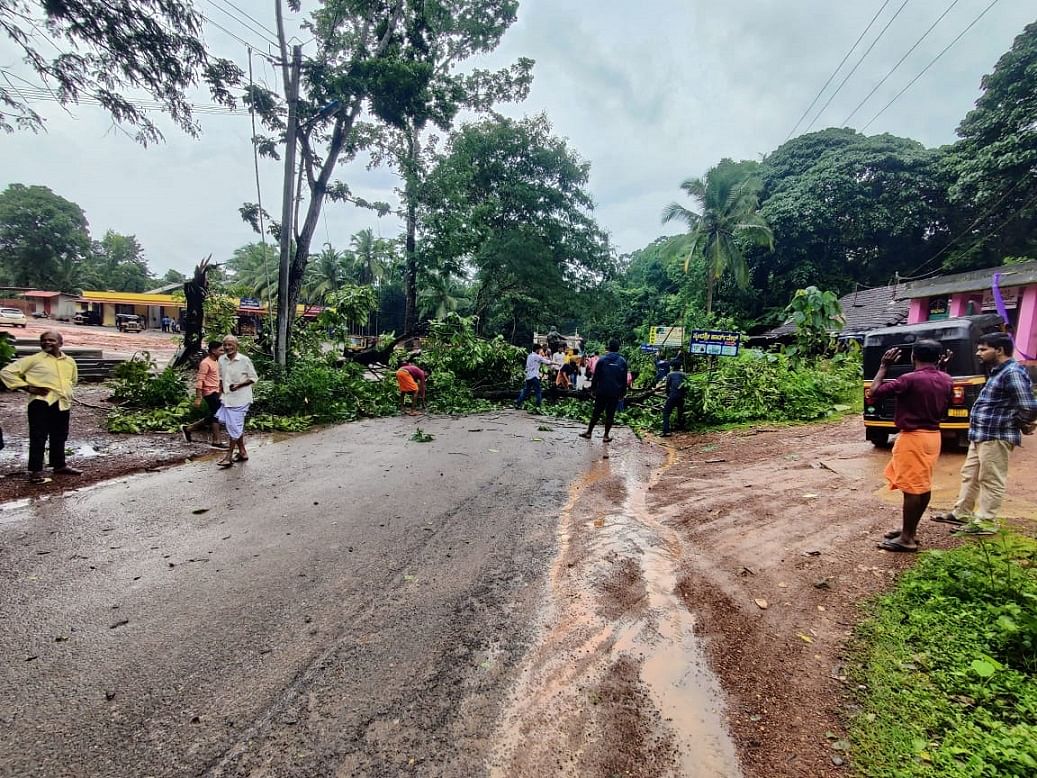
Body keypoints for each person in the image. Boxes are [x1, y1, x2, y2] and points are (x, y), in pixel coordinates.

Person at [934, 333, 1037, 530]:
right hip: (981, 434)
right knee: (970, 475)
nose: (978, 353)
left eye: (983, 349)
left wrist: (1020, 423)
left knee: (991, 478)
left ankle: (986, 521)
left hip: (995, 435)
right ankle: (961, 513)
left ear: (999, 350)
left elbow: (1029, 406)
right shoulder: (998, 371)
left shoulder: (1012, 372)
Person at [868, 339, 953, 552]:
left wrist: (883, 366)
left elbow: (874, 392)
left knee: (912, 488)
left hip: (913, 437)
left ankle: (907, 538)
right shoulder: (946, 378)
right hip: (933, 436)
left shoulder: (909, 379)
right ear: (938, 358)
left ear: (913, 356)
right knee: (922, 485)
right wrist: (942, 367)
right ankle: (909, 530)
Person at [0, 331, 82, 483]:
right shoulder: (34, 360)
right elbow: (6, 372)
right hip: (40, 403)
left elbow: (73, 380)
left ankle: (59, 465)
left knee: (60, 435)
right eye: (44, 340)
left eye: (51, 340)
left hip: (62, 403)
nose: (47, 343)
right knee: (38, 436)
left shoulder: (69, 361)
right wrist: (27, 387)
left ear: (60, 343)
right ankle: (36, 470)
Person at [215, 335, 258, 468]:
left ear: (236, 345)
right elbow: (222, 377)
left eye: (230, 345)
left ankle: (228, 456)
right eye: (225, 345)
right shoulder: (222, 359)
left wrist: (238, 385)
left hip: (241, 399)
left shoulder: (244, 360)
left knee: (234, 427)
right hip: (227, 399)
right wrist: (220, 391)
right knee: (234, 426)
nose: (227, 347)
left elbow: (253, 378)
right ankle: (243, 452)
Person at [579, 340, 628, 442]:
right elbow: (624, 379)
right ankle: (605, 436)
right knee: (610, 414)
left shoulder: (602, 360)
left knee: (596, 412)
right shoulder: (622, 361)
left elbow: (596, 376)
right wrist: (622, 392)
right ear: (618, 349)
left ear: (608, 348)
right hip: (615, 392)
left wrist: (593, 389)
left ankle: (589, 432)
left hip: (602, 391)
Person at [181, 340, 224, 448]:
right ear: (213, 350)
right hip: (209, 392)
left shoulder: (216, 361)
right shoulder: (205, 363)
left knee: (216, 414)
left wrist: (220, 390)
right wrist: (198, 397)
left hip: (215, 391)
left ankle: (189, 428)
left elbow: (217, 378)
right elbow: (200, 380)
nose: (223, 352)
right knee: (217, 415)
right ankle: (216, 441)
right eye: (221, 350)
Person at [515, 344, 553, 410]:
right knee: (538, 391)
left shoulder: (529, 356)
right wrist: (557, 363)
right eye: (539, 350)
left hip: (528, 376)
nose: (540, 351)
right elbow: (547, 362)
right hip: (534, 376)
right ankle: (538, 406)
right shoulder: (537, 357)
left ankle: (518, 403)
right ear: (537, 349)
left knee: (525, 391)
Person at [661, 367, 687, 437]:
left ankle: (666, 431)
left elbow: (667, 387)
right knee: (681, 411)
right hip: (681, 396)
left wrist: (668, 394)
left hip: (673, 396)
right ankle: (681, 426)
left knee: (666, 412)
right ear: (680, 367)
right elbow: (687, 386)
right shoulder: (684, 374)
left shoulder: (670, 374)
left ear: (672, 367)